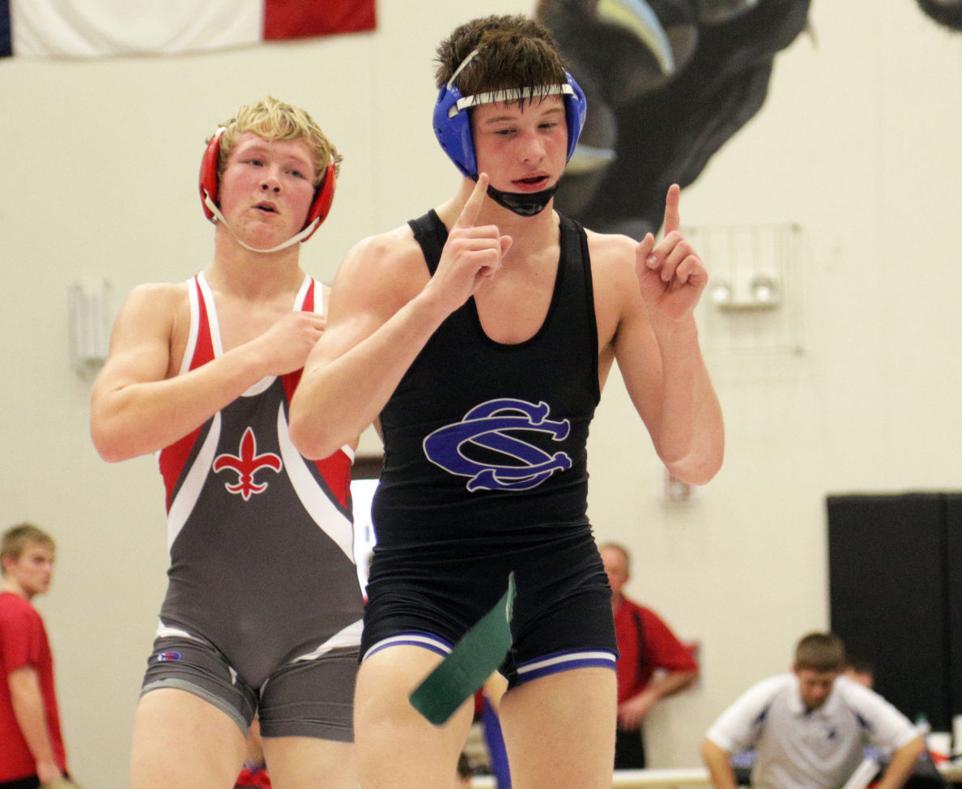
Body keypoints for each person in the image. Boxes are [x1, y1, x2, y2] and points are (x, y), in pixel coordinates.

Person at [288, 13, 724, 788]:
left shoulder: (616, 268)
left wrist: (676, 326)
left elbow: (693, 456)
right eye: (506, 130)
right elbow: (317, 428)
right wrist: (433, 301)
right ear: (461, 141)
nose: (534, 152)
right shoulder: (391, 264)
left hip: (550, 590)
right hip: (431, 594)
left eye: (551, 125)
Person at [89, 96, 362, 789]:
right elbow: (113, 430)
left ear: (316, 202)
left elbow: (422, 446)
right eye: (254, 161)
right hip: (201, 626)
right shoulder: (166, 308)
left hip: (326, 634)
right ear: (215, 177)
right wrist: (257, 356)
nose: (272, 180)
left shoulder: (344, 319)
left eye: (295, 171)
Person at [701, 632, 925, 789]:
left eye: (826, 684)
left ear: (839, 673)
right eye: (811, 683)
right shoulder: (768, 696)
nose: (818, 692)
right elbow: (713, 748)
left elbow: (911, 745)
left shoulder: (855, 699)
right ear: (794, 670)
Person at [600, 541, 699, 769]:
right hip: (576, 725)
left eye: (614, 571)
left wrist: (648, 697)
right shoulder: (570, 617)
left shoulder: (640, 620)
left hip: (622, 731)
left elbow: (687, 670)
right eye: (600, 568)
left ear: (626, 578)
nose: (605, 577)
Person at [0, 524, 69, 789]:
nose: (48, 570)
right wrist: (45, 761)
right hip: (23, 765)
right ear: (10, 562)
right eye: (37, 560)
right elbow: (23, 688)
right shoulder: (20, 614)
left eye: (51, 562)